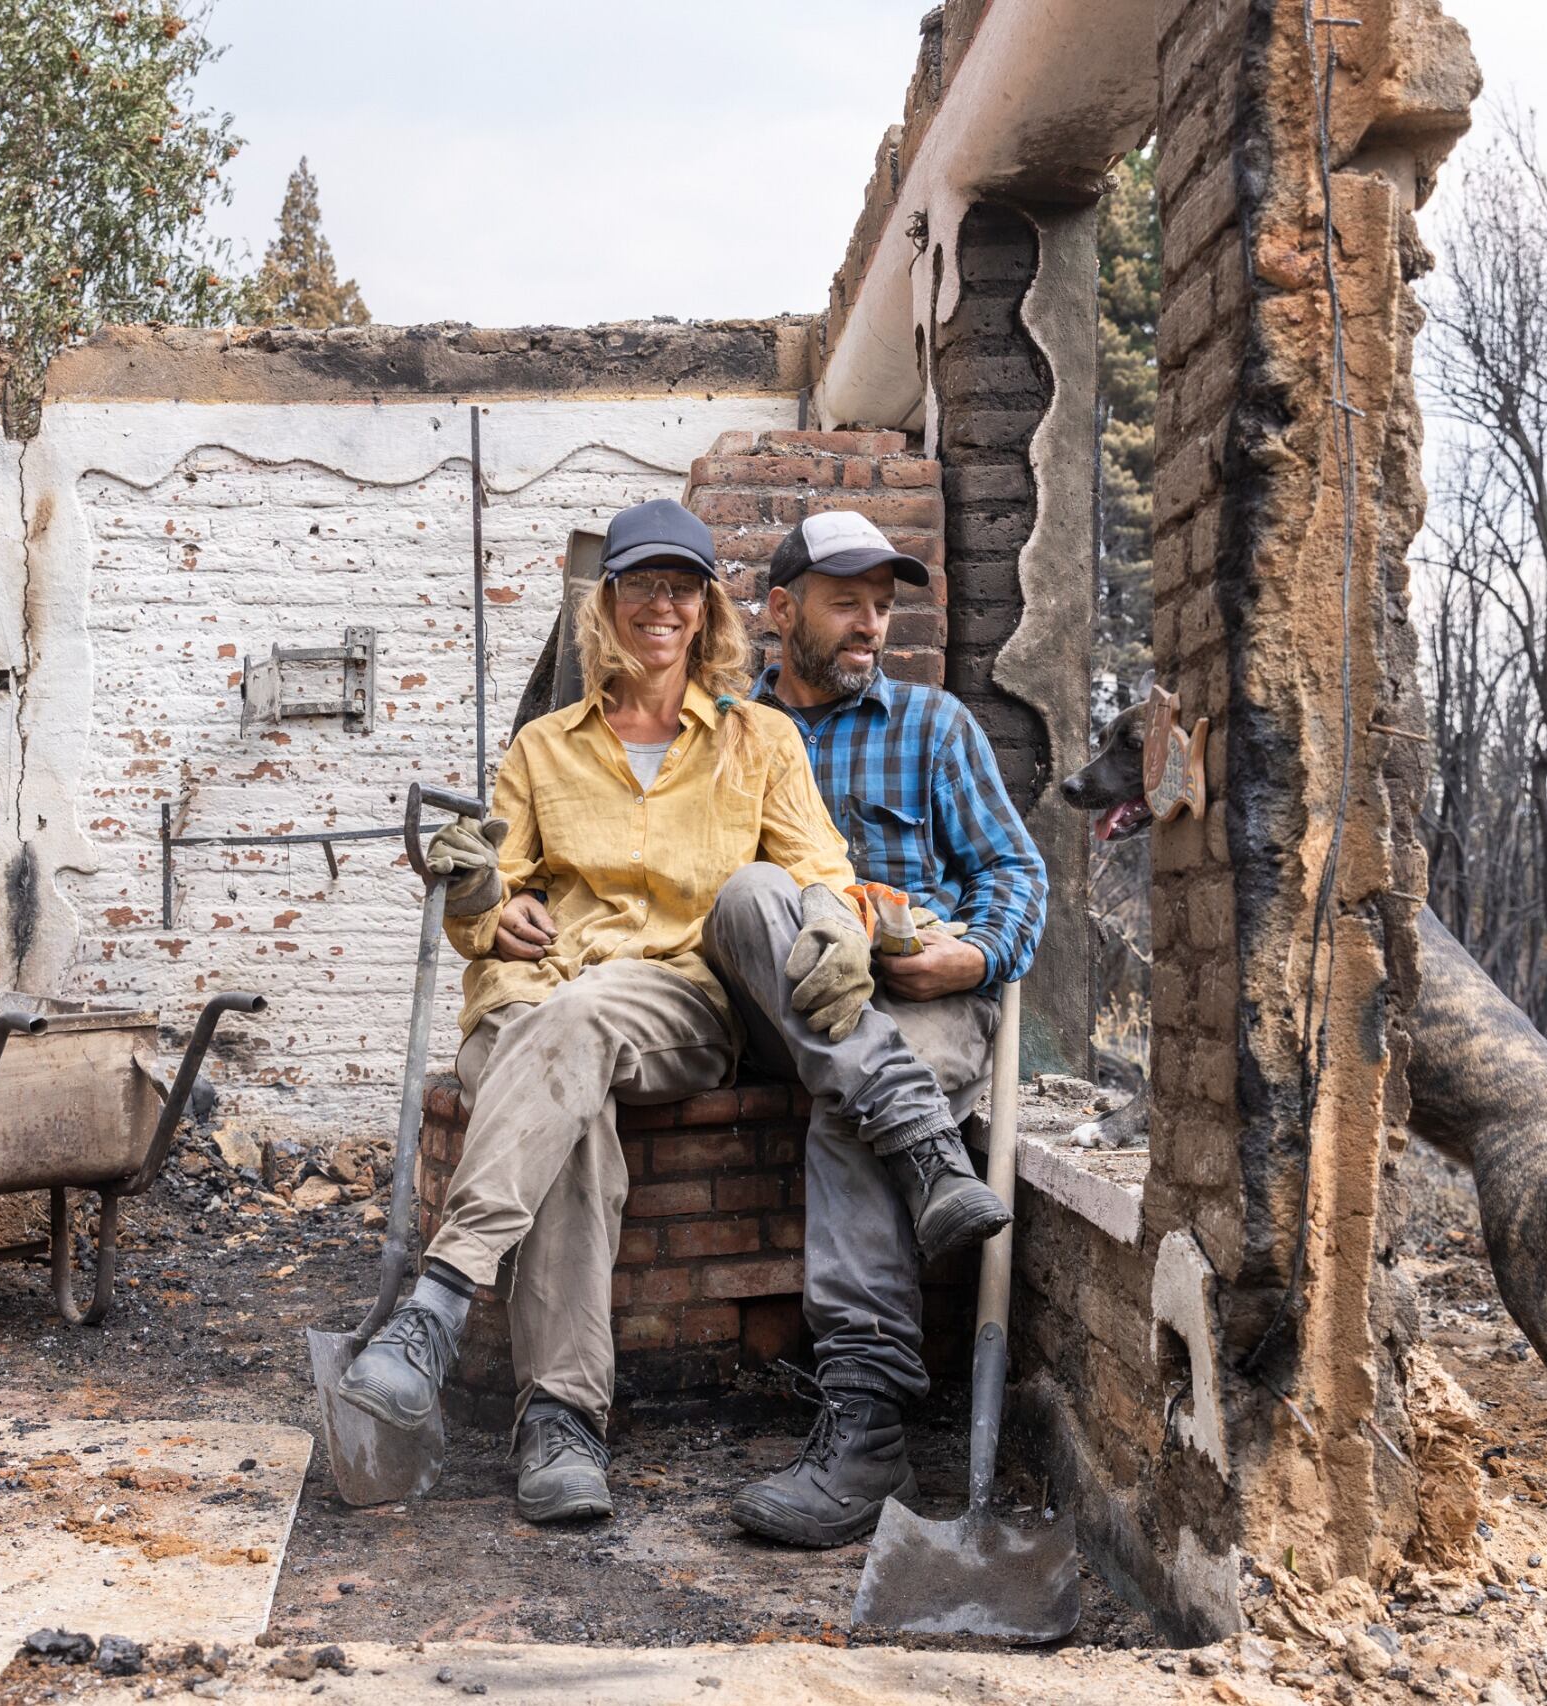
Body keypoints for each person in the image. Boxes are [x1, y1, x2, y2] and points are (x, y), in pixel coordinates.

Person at [334, 498, 1009, 1527]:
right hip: (532, 1006)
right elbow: (482, 906)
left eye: (682, 586)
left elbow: (817, 870)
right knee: (571, 1105)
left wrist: (834, 921)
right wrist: (481, 895)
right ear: (605, 605)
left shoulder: (756, 738)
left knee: (606, 1003)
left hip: (673, 1000)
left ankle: (436, 1306)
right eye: (642, 583)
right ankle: (558, 1423)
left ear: (707, 610)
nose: (662, 603)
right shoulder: (541, 750)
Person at [703, 508, 1048, 1548]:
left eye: (882, 605)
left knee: (852, 1102)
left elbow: (1014, 873)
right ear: (780, 611)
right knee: (753, 891)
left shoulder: (933, 726)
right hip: (787, 1002)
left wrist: (974, 957)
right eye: (845, 601)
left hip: (922, 997)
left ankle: (864, 1427)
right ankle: (931, 1152)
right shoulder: (726, 735)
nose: (870, 624)